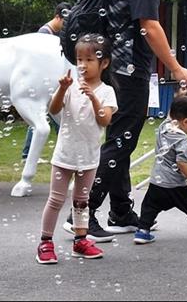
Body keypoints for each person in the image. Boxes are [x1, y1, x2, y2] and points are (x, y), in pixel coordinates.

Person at [65, 0, 187, 241]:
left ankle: (121, 211)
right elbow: (149, 27)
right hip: (130, 69)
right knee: (121, 141)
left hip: (115, 66)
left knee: (120, 140)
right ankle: (80, 213)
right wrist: (176, 67)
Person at [35, 34, 117, 264]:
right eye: (79, 59)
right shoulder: (70, 86)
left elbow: (105, 120)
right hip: (65, 154)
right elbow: (53, 109)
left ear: (104, 63)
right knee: (55, 199)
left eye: (89, 60)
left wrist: (93, 98)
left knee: (81, 201)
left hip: (89, 157)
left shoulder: (107, 91)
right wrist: (62, 89)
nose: (83, 64)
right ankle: (45, 242)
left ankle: (80, 241)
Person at [133, 93, 187, 244]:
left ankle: (143, 231)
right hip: (176, 184)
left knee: (149, 207)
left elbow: (171, 114)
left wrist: (179, 97)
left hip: (157, 181)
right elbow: (181, 163)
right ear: (186, 122)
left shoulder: (164, 126)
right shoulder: (182, 139)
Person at [22, 2, 71, 162]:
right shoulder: (44, 34)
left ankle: (62, 149)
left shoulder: (51, 34)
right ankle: (28, 153)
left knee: (47, 117)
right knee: (42, 118)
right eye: (64, 21)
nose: (65, 25)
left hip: (47, 83)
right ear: (57, 17)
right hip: (43, 83)